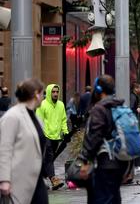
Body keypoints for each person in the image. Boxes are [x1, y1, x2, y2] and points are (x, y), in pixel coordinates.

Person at [78, 75, 130, 203]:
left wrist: (84, 160)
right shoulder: (119, 107)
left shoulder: (100, 109)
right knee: (114, 199)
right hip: (120, 163)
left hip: (105, 163)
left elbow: (95, 136)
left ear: (99, 90)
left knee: (102, 199)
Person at [0, 78, 48, 204]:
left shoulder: (34, 116)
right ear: (36, 94)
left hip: (36, 179)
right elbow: (4, 149)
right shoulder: (12, 116)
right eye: (43, 93)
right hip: (18, 180)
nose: (44, 97)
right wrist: (4, 180)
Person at [36, 83, 68, 190]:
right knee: (49, 158)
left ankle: (40, 179)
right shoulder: (43, 104)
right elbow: (39, 120)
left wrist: (65, 131)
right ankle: (53, 179)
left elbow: (63, 120)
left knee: (49, 159)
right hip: (46, 136)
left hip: (56, 137)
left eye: (57, 92)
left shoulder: (61, 105)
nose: (55, 94)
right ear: (49, 92)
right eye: (53, 92)